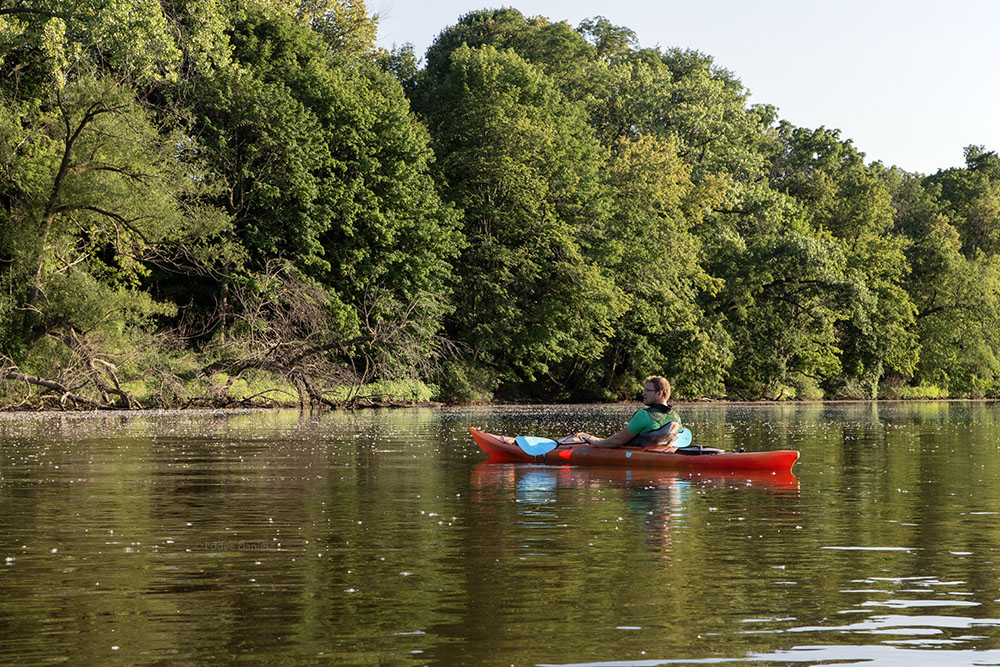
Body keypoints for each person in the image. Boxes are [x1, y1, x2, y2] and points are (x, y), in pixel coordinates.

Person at [578, 376, 681, 449]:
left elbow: (618, 440)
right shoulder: (676, 417)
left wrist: (597, 442)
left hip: (638, 455)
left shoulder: (644, 415)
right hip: (661, 452)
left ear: (659, 393)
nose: (643, 393)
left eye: (647, 390)